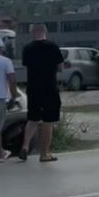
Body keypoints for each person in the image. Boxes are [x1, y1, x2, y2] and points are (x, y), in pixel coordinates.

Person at [20, 24, 65, 162]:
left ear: (33, 33)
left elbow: (26, 65)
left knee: (32, 118)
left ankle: (25, 146)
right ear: (45, 32)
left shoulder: (27, 49)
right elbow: (60, 67)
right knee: (48, 120)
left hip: (33, 88)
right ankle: (44, 153)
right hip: (49, 87)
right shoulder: (52, 46)